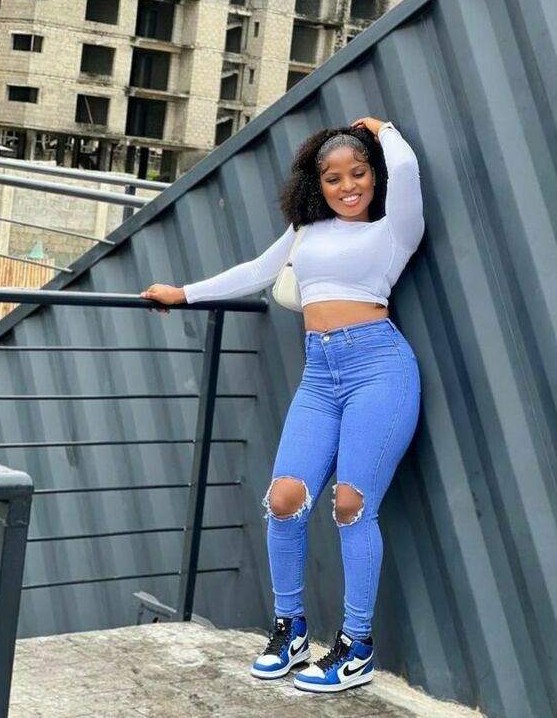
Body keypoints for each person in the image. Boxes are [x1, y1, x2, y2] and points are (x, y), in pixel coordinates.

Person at [139, 116, 424, 693]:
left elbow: (408, 167)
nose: (347, 186)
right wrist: (184, 294)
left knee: (352, 505)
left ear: (374, 175)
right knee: (285, 498)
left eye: (358, 173)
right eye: (333, 178)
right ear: (316, 184)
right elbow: (256, 271)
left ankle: (357, 646)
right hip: (320, 374)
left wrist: (384, 130)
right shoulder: (306, 231)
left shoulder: (396, 228)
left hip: (379, 369)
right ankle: (289, 628)